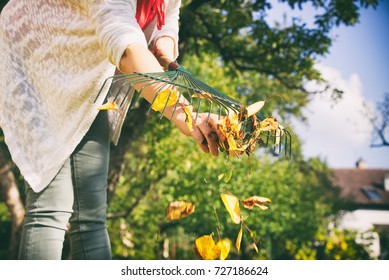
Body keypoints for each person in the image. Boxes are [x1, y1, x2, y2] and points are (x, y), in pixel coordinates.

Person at [0, 0, 223, 260]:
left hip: (87, 64)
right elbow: (127, 50)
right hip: (36, 47)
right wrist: (188, 116)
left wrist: (164, 42)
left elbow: (170, 12)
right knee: (52, 205)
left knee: (91, 215)